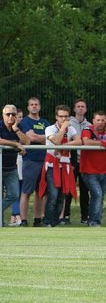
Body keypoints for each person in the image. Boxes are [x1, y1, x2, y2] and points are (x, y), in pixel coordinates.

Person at [40, 105, 82, 227]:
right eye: (61, 116)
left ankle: (55, 221)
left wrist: (65, 146)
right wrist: (63, 129)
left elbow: (79, 141)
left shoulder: (72, 129)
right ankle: (47, 221)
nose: (64, 119)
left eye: (66, 116)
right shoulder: (50, 129)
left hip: (65, 165)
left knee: (62, 195)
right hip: (52, 165)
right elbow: (57, 141)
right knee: (53, 194)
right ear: (56, 117)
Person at [80, 111, 106, 226]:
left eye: (103, 120)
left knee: (100, 197)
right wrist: (104, 143)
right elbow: (86, 142)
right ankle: (94, 222)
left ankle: (95, 220)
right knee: (97, 195)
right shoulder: (88, 130)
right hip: (89, 171)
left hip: (104, 171)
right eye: (98, 120)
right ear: (93, 121)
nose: (100, 122)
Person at [18, 97, 48, 226]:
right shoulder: (24, 122)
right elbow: (28, 138)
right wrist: (42, 138)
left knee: (40, 192)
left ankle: (37, 219)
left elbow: (50, 139)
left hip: (44, 160)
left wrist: (38, 137)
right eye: (32, 105)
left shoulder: (45, 122)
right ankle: (23, 220)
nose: (34, 107)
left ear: (40, 106)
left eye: (36, 104)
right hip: (30, 160)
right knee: (26, 191)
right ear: (28, 107)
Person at [66, 98, 91, 225]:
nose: (81, 108)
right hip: (72, 159)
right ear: (74, 109)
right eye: (78, 106)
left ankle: (85, 217)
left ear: (86, 109)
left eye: (83, 106)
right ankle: (65, 215)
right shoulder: (68, 123)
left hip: (85, 161)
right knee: (69, 188)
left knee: (85, 190)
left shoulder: (90, 125)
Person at [1, 105, 29, 220]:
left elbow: (27, 141)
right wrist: (15, 144)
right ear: (3, 115)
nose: (11, 116)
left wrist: (16, 129)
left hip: (11, 168)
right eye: (8, 114)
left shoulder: (18, 126)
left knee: (13, 195)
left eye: (13, 114)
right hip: (0, 167)